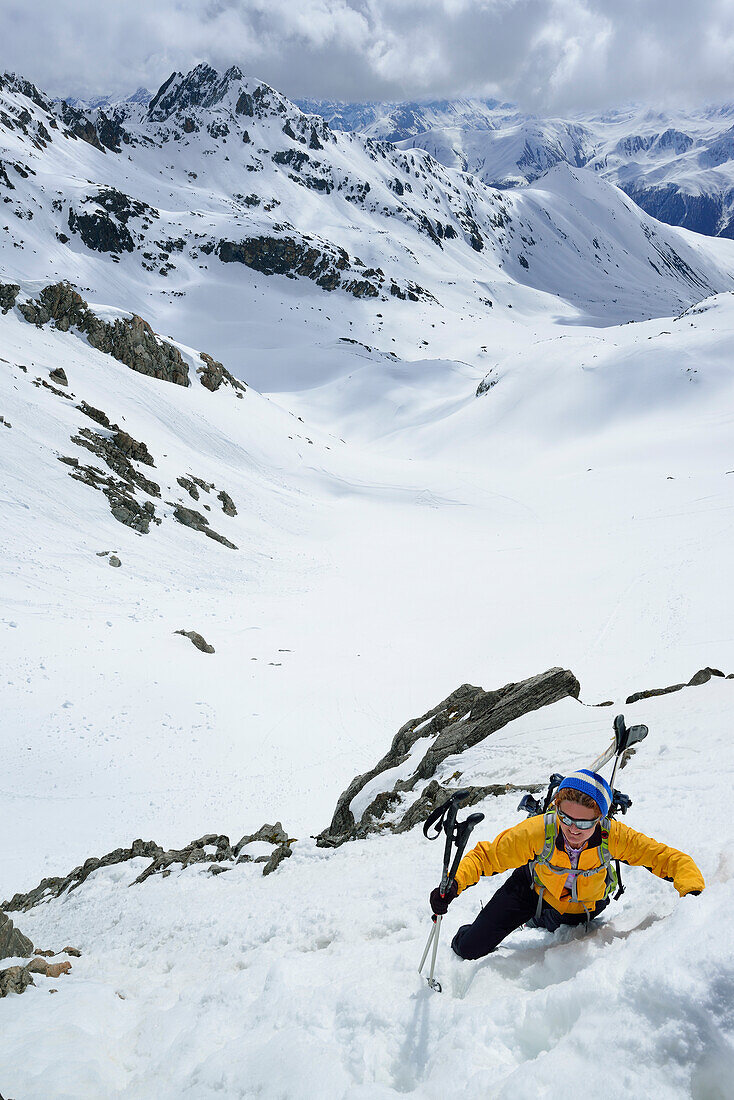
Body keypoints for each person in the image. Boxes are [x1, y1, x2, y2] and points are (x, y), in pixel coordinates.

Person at [429, 768, 704, 960]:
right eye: (566, 817)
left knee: (557, 924)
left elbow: (669, 859)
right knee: (469, 948)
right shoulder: (541, 830)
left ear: (600, 818)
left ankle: (539, 920)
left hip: (583, 907)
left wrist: (693, 894)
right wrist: (454, 884)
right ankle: (517, 920)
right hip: (533, 892)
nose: (573, 829)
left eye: (584, 822)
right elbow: (486, 857)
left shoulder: (613, 836)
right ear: (556, 808)